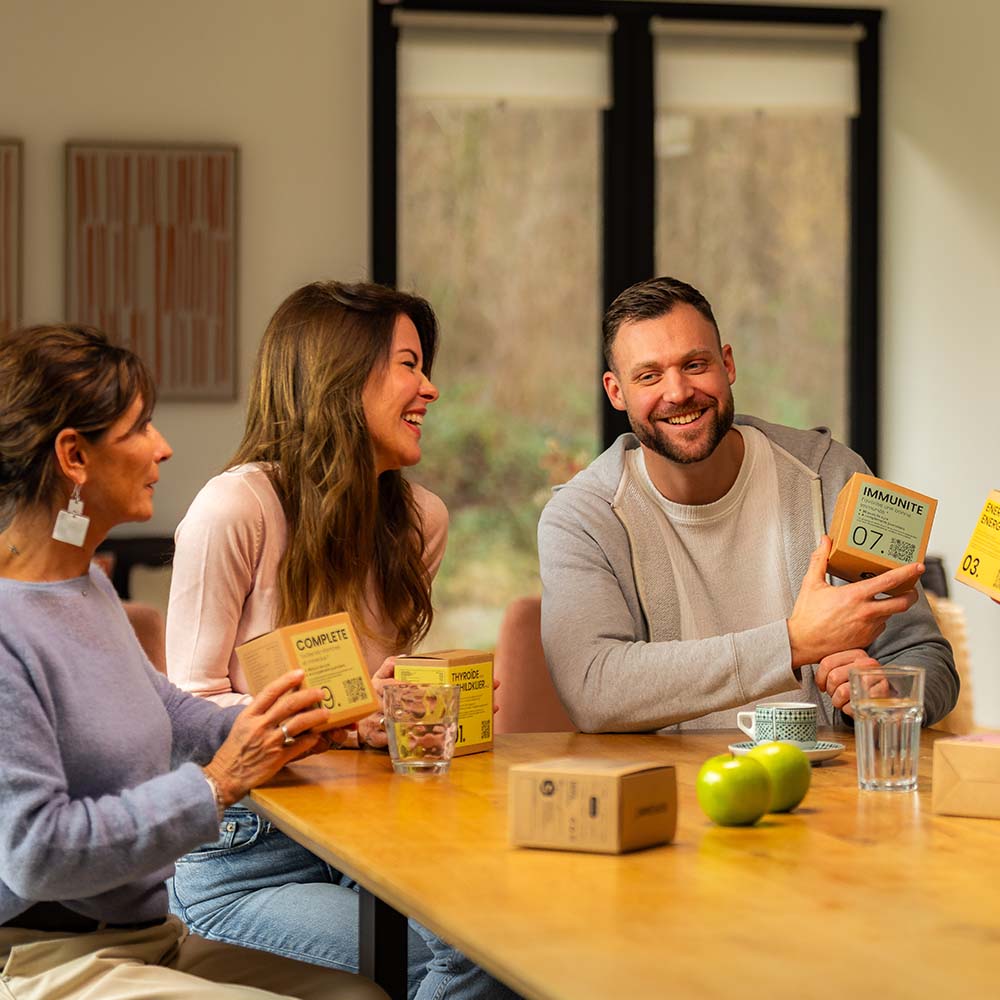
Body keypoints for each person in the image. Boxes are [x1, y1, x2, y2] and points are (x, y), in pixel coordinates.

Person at [0, 324, 386, 1000]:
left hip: (146, 936)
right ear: (73, 456)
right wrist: (216, 784)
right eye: (139, 428)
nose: (163, 447)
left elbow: (166, 709)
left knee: (363, 994)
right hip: (46, 955)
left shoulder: (82, 584)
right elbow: (35, 853)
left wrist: (286, 726)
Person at [165, 281, 519, 1000]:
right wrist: (334, 718)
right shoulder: (235, 508)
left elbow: (367, 704)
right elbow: (188, 712)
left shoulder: (420, 521)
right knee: (468, 957)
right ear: (338, 377)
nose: (431, 389)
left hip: (360, 827)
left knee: (512, 932)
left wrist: (404, 704)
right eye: (409, 365)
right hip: (243, 853)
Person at [537, 276, 959, 733]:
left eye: (695, 364)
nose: (677, 392)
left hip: (826, 787)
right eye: (649, 375)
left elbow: (924, 655)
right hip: (660, 792)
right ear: (616, 392)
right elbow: (594, 687)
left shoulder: (833, 473)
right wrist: (793, 643)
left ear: (728, 364)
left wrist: (885, 694)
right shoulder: (582, 517)